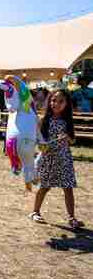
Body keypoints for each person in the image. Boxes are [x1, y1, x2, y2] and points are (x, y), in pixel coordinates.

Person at [30, 89, 85, 229]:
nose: (56, 103)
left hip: (64, 159)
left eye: (61, 101)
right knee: (44, 187)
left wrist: (68, 138)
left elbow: (72, 140)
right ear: (49, 102)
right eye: (54, 100)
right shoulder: (44, 120)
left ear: (67, 104)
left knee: (68, 188)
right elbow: (39, 141)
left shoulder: (67, 120)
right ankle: (35, 212)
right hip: (47, 159)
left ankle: (72, 218)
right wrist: (43, 146)